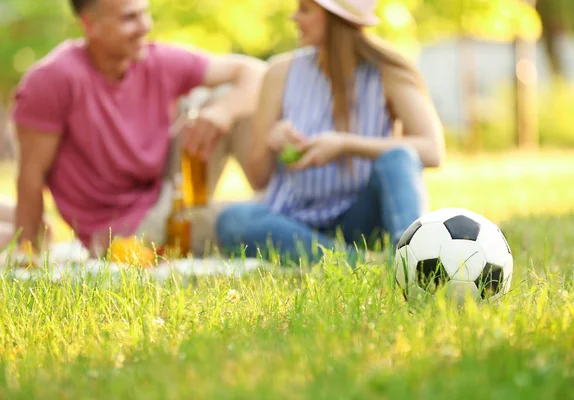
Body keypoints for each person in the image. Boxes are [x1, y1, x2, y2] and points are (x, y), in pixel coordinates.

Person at [10, 0, 266, 256]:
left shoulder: (155, 60)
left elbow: (255, 72)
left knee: (229, 94)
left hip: (165, 190)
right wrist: (28, 251)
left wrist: (222, 112)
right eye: (129, 18)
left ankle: (276, 200)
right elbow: (30, 175)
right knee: (243, 221)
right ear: (90, 25)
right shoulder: (52, 79)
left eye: (145, 14)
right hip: (123, 231)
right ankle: (277, 216)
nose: (145, 26)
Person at [216, 0, 445, 266]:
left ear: (336, 19)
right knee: (232, 220)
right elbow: (258, 180)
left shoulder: (388, 71)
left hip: (361, 217)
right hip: (293, 223)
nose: (294, 17)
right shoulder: (279, 73)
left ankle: (411, 257)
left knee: (399, 158)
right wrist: (272, 141)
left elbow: (432, 150)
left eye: (305, 9)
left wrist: (345, 144)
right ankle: (369, 265)